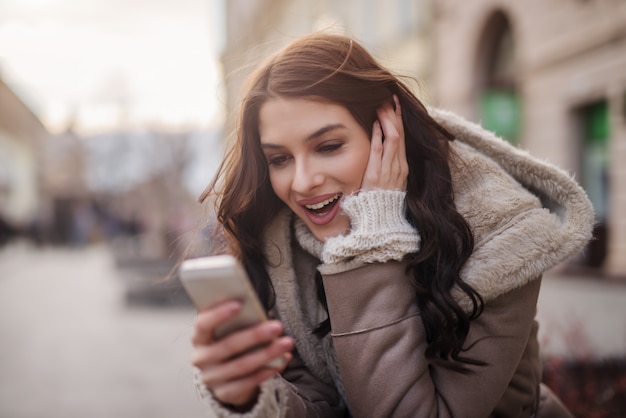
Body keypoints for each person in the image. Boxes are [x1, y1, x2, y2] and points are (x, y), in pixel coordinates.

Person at [189, 32, 594, 417]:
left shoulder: (500, 234)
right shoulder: (278, 245)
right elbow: (318, 404)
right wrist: (251, 395)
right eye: (279, 159)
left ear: (387, 131)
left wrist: (372, 241)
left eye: (328, 147)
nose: (301, 181)